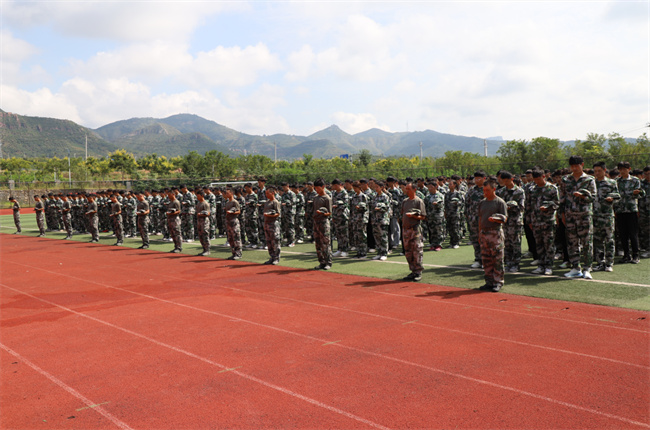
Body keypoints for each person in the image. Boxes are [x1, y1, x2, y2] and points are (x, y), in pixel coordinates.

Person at [560, 155, 597, 279]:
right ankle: (575, 267)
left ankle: (587, 268)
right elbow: (562, 198)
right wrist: (562, 214)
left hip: (584, 215)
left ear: (582, 165)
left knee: (587, 242)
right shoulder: (566, 180)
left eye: (576, 166)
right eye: (572, 166)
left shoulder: (589, 179)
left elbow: (593, 197)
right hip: (570, 215)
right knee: (572, 242)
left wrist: (582, 196)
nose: (574, 168)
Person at [477, 177, 508, 292]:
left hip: (495, 233)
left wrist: (496, 219)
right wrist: (480, 233)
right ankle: (489, 282)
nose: (485, 192)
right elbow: (480, 218)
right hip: (484, 233)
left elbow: (505, 218)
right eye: (484, 190)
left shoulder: (500, 202)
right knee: (486, 259)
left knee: (497, 259)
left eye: (488, 190)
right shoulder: (482, 202)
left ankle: (498, 282)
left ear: (494, 189)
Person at [530, 169, 559, 275]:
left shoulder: (552, 188)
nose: (537, 181)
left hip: (548, 221)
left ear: (544, 177)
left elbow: (557, 203)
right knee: (539, 244)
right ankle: (541, 265)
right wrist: (529, 220)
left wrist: (548, 207)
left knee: (548, 244)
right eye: (535, 180)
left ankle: (549, 266)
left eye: (539, 179)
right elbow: (529, 205)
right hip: (536, 221)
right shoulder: (532, 189)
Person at [592, 162, 620, 271]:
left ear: (604, 170)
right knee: (597, 240)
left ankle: (609, 263)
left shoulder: (611, 182)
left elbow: (617, 196)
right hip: (595, 216)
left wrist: (612, 199)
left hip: (607, 215)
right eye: (595, 171)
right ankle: (600, 262)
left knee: (609, 240)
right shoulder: (592, 183)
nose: (597, 173)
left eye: (599, 171)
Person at [615, 161, 645, 264]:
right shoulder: (616, 181)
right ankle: (626, 255)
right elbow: (615, 195)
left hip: (631, 210)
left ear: (629, 169)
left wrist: (637, 193)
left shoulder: (635, 180)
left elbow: (640, 194)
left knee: (633, 234)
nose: (622, 171)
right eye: (620, 169)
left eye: (624, 169)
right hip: (620, 210)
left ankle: (636, 255)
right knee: (623, 234)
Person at [496, 171, 525, 272]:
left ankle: (516, 264)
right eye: (503, 181)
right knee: (506, 243)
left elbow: (521, 207)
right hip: (504, 222)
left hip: (515, 221)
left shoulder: (519, 191)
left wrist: (511, 207)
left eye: (507, 181)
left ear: (512, 179)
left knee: (515, 243)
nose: (505, 183)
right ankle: (508, 263)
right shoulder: (501, 192)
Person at [401, 182, 427, 281]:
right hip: (406, 229)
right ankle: (412, 270)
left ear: (414, 189)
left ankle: (418, 271)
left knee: (417, 250)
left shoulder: (418, 201)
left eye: (409, 189)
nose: (406, 191)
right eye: (406, 189)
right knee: (408, 251)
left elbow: (423, 216)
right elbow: (402, 213)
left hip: (415, 229)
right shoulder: (405, 201)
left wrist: (414, 216)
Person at [313, 178, 333, 270]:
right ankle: (322, 262)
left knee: (325, 243)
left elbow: (329, 213)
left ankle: (328, 262)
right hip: (316, 222)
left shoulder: (327, 198)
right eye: (315, 188)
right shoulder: (315, 198)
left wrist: (323, 213)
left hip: (324, 222)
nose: (316, 190)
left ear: (323, 187)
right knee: (318, 244)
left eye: (318, 188)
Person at [263, 185, 282, 265]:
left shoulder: (275, 202)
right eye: (266, 194)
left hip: (273, 224)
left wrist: (269, 215)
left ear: (272, 193)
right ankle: (272, 257)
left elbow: (278, 213)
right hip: (267, 223)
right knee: (269, 241)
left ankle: (276, 258)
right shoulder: (267, 202)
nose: (266, 195)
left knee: (275, 241)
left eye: (268, 193)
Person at [223, 187, 242, 260]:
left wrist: (232, 212)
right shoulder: (227, 203)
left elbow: (238, 211)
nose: (226, 194)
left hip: (234, 221)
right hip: (228, 221)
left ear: (231, 193)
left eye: (228, 193)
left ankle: (238, 254)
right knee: (230, 238)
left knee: (236, 238)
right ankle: (233, 253)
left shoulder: (235, 202)